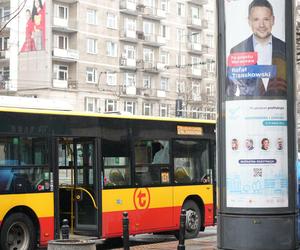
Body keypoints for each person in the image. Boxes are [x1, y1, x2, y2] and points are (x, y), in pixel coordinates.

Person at [226, 0, 286, 97]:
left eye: (266, 19)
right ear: (249, 21)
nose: (261, 25)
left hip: (280, 110)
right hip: (248, 110)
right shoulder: (236, 51)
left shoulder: (285, 49)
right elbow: (230, 91)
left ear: (273, 20)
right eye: (256, 19)